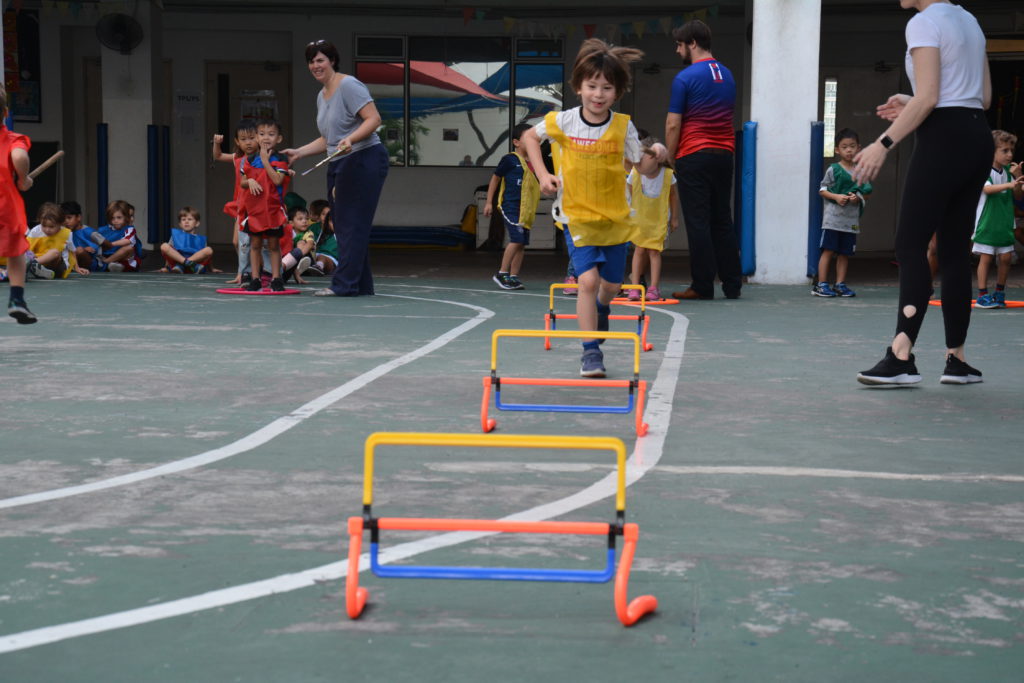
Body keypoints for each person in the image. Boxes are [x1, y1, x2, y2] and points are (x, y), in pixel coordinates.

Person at [853, 0, 992, 387]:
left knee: (910, 245)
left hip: (943, 139)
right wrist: (910, 101)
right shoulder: (970, 21)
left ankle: (901, 356)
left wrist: (883, 144)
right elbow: (980, 99)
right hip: (976, 135)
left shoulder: (923, 22)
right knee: (952, 250)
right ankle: (958, 360)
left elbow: (931, 98)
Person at [523, 38, 666, 378]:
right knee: (586, 281)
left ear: (617, 92)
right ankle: (591, 352)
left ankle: (603, 306)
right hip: (578, 216)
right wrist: (543, 176)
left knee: (611, 287)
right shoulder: (563, 121)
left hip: (616, 219)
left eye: (606, 88)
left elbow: (638, 162)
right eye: (591, 86)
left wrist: (656, 152)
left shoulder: (622, 126)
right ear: (578, 87)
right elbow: (530, 137)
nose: (598, 94)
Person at [283, 39, 388, 297]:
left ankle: (344, 284)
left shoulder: (348, 85)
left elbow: (374, 119)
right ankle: (360, 284)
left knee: (351, 224)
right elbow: (329, 138)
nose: (315, 65)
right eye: (311, 61)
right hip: (341, 161)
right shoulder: (322, 95)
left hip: (363, 159)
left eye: (320, 60)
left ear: (332, 61)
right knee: (343, 224)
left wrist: (351, 139)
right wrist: (299, 152)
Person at [660, 19, 742, 301]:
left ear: (692, 43)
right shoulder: (728, 75)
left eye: (679, 45)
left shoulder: (685, 78)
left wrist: (669, 157)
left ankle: (702, 286)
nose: (677, 50)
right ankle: (733, 285)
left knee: (698, 223)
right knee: (722, 220)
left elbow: (673, 123)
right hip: (725, 155)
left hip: (694, 155)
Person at [813, 128, 873, 298]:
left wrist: (858, 197)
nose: (849, 150)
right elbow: (822, 190)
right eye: (845, 147)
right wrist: (837, 197)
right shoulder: (834, 169)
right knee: (828, 250)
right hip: (833, 220)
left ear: (859, 148)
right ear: (837, 150)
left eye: (852, 146)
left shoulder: (862, 171)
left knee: (845, 253)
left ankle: (840, 284)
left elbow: (867, 192)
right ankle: (821, 285)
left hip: (850, 221)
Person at [485, 122, 540, 290]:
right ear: (516, 142)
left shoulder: (535, 161)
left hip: (526, 209)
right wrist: (489, 202)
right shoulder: (509, 160)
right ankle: (502, 273)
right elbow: (495, 178)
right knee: (516, 239)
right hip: (511, 207)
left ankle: (514, 276)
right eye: (528, 138)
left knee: (521, 243)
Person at [972, 130, 1023, 309]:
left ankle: (999, 292)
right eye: (1004, 150)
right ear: (991, 151)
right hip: (987, 222)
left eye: (1011, 150)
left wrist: (1017, 179)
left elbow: (1017, 194)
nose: (1010, 154)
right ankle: (982, 295)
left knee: (1006, 258)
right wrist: (1009, 184)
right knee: (986, 258)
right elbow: (987, 190)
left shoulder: (1009, 173)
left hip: (1004, 223)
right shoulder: (984, 170)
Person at [627, 130, 680, 302]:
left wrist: (674, 218)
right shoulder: (634, 175)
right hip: (640, 219)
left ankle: (653, 288)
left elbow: (673, 196)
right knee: (639, 251)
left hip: (658, 220)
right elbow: (629, 195)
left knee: (654, 252)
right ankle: (635, 287)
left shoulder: (667, 176)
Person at [240, 118, 289, 292]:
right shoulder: (249, 158)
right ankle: (255, 278)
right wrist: (250, 181)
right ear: (256, 137)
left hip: (273, 210)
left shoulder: (281, 158)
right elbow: (242, 181)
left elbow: (277, 179)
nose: (266, 138)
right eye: (261, 134)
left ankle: (277, 278)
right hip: (254, 210)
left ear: (279, 138)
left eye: (271, 134)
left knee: (274, 245)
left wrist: (265, 160)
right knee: (255, 245)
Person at [1, 89, 35, 322]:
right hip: (4, 203)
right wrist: (24, 180)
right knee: (16, 252)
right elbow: (19, 157)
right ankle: (16, 298)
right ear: (5, 113)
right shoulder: (13, 139)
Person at [214, 121, 259, 285]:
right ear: (237, 141)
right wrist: (217, 144)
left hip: (257, 206)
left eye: (252, 138)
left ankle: (254, 273)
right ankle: (243, 272)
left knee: (255, 241)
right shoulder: (238, 158)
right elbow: (217, 156)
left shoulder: (263, 158)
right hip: (241, 205)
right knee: (237, 241)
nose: (248, 142)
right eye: (244, 139)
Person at [26, 202, 88, 279]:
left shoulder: (66, 233)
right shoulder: (35, 231)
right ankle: (39, 270)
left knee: (55, 252)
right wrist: (31, 255)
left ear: (60, 223)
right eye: (44, 226)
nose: (47, 230)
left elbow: (72, 251)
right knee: (26, 254)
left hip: (57, 266)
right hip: (40, 261)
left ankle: (30, 265)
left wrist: (77, 268)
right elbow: (26, 247)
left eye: (51, 227)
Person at [160, 206, 215, 274]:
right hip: (176, 266)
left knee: (209, 250)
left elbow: (207, 257)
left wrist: (212, 268)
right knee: (164, 246)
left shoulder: (200, 239)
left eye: (190, 219)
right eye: (183, 219)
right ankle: (185, 263)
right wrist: (166, 267)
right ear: (180, 224)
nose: (186, 221)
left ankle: (183, 264)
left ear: (197, 223)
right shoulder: (175, 236)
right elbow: (169, 254)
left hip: (194, 267)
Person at [61, 200, 112, 272]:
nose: (66, 221)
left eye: (69, 218)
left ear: (78, 217)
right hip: (75, 263)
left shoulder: (89, 232)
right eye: (63, 219)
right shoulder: (64, 233)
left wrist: (98, 252)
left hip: (93, 263)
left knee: (79, 250)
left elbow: (108, 245)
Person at [95, 200, 140, 272]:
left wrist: (110, 244)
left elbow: (127, 240)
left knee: (129, 248)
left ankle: (106, 263)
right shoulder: (102, 230)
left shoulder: (129, 229)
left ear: (125, 217)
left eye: (119, 217)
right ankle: (109, 265)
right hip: (106, 255)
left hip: (123, 259)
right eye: (112, 218)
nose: (115, 221)